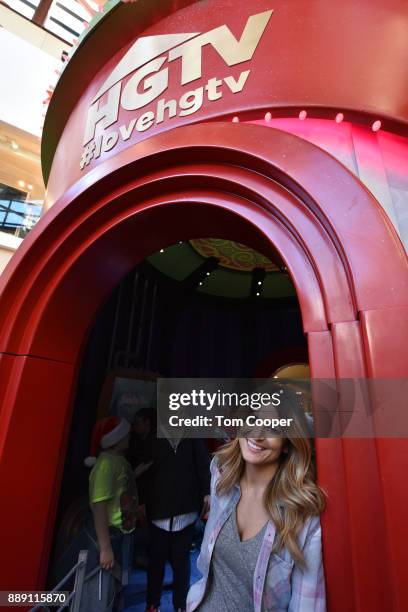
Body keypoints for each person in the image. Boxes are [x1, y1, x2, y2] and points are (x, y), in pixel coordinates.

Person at [187, 396, 326, 612]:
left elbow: (307, 605)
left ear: (287, 444)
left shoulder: (303, 514)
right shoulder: (221, 474)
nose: (257, 434)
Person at [145, 436, 211, 612]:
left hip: (186, 511)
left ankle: (181, 606)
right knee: (156, 561)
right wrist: (141, 502)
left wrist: (207, 492)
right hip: (158, 512)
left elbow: (203, 466)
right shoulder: (154, 439)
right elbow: (145, 472)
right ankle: (152, 604)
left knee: (181, 562)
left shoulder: (193, 438)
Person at [82, 416, 140, 611]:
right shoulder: (106, 465)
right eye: (125, 434)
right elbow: (99, 507)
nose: (129, 436)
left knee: (115, 586)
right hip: (111, 534)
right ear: (115, 440)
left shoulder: (118, 460)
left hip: (122, 532)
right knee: (102, 590)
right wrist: (105, 548)